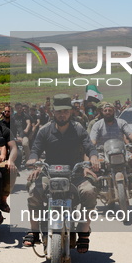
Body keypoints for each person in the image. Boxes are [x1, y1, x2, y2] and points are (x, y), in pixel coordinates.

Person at [24, 94, 100, 253]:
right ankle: (34, 231)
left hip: (75, 174)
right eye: (59, 111)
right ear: (53, 112)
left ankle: (84, 233)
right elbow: (36, 150)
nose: (62, 114)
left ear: (71, 111)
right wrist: (33, 161)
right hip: (49, 173)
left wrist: (93, 158)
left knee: (89, 192)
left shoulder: (78, 129)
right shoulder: (45, 130)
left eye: (65, 111)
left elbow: (89, 147)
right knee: (33, 193)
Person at [89, 102, 132, 197]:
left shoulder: (121, 122)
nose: (107, 112)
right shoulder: (97, 125)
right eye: (105, 111)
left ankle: (131, 184)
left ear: (114, 111)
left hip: (120, 151)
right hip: (103, 152)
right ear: (102, 112)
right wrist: (91, 146)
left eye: (110, 110)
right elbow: (93, 139)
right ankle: (97, 187)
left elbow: (129, 133)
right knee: (96, 164)